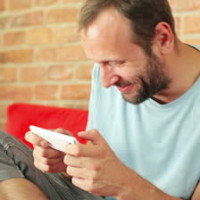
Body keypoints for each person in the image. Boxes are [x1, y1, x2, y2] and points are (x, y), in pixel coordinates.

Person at [0, 0, 200, 199]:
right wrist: (68, 164)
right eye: (100, 64)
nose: (105, 82)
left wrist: (125, 184)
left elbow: (115, 181)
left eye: (117, 62)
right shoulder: (109, 76)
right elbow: (99, 178)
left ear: (163, 39)